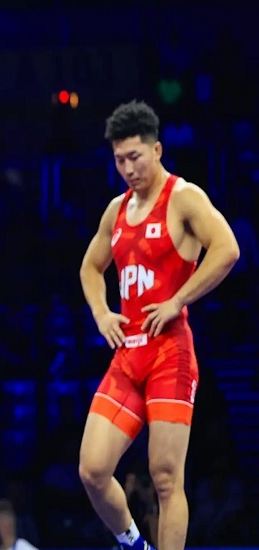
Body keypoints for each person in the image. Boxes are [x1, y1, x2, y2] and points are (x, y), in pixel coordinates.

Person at [77, 100, 240, 550]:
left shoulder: (183, 197)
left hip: (171, 353)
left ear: (157, 149)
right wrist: (101, 312)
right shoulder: (115, 210)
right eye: (119, 160)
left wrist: (178, 300)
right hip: (128, 354)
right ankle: (133, 543)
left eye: (135, 157)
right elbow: (90, 267)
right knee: (92, 470)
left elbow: (227, 249)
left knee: (166, 477)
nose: (128, 168)